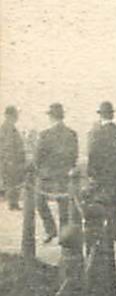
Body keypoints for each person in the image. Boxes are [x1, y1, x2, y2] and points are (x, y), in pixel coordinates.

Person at [87, 101, 116, 243]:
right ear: (112, 115)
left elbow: (92, 155)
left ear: (101, 116)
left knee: (100, 201)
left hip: (100, 175)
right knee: (114, 202)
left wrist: (91, 174)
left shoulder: (95, 133)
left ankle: (101, 230)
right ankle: (113, 231)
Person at [34, 102, 78, 243]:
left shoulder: (44, 135)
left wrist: (39, 169)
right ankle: (64, 235)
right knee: (64, 206)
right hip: (64, 175)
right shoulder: (71, 134)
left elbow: (38, 157)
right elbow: (74, 156)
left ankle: (50, 230)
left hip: (47, 176)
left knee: (39, 201)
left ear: (51, 117)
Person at [0, 106, 24, 210]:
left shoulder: (9, 127)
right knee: (11, 182)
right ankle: (12, 204)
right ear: (10, 116)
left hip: (11, 160)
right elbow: (7, 145)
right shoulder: (7, 128)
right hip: (10, 161)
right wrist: (9, 161)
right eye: (15, 115)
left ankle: (13, 203)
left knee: (13, 182)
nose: (17, 117)